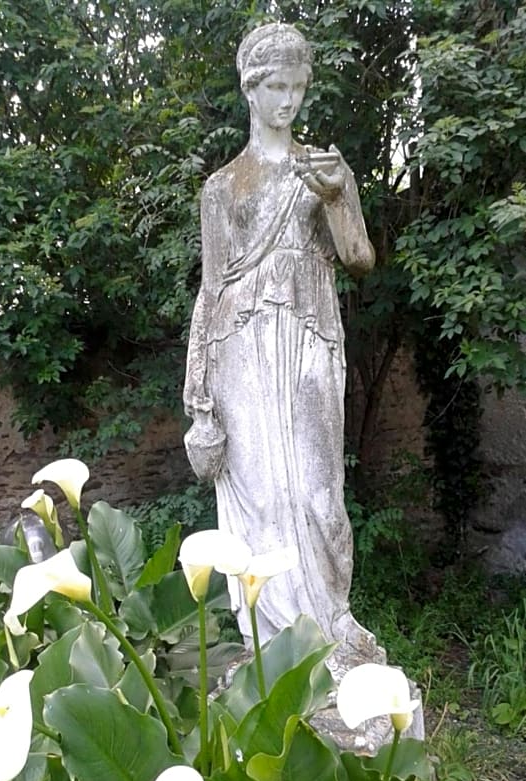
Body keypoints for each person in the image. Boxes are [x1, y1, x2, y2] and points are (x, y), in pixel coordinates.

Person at [184, 23, 376, 652]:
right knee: (263, 498)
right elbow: (210, 293)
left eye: (297, 87)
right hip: (239, 351)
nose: (288, 101)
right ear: (251, 89)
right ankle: (273, 646)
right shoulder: (221, 188)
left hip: (308, 336)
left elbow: (360, 258)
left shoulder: (324, 170)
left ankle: (332, 621)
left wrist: (341, 196)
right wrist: (198, 399)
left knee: (320, 491)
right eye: (276, 87)